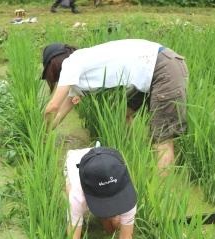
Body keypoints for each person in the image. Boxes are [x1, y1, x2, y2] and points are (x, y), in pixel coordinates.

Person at [42, 40, 189, 171]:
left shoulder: (72, 63)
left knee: (162, 140)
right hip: (148, 72)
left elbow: (53, 107)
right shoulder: (80, 69)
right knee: (124, 112)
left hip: (163, 68)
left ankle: (161, 193)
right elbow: (61, 112)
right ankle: (131, 152)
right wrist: (44, 134)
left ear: (53, 66)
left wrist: (42, 128)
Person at [64, 145, 137, 239]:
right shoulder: (77, 195)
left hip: (104, 163)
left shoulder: (126, 189)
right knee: (74, 221)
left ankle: (106, 216)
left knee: (114, 226)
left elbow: (126, 238)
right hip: (74, 159)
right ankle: (80, 218)